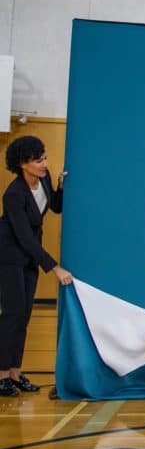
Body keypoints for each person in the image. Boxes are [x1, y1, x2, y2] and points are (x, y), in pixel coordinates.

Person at [0, 136, 73, 397]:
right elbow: (24, 238)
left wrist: (61, 187)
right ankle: (1, 376)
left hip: (29, 257)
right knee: (12, 315)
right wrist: (55, 268)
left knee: (24, 315)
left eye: (44, 158)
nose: (44, 163)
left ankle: (15, 373)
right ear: (22, 164)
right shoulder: (13, 194)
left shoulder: (43, 178)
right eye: (38, 160)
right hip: (10, 255)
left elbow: (54, 207)